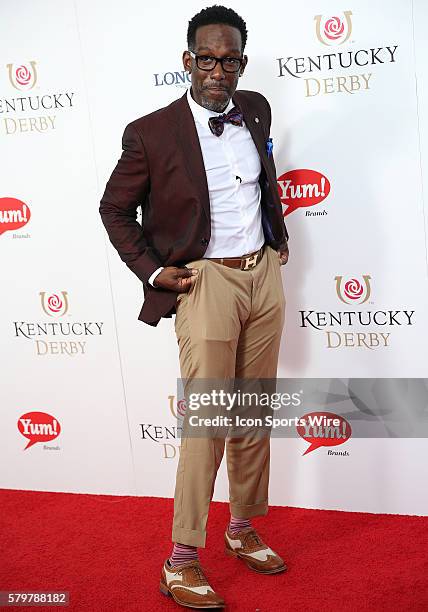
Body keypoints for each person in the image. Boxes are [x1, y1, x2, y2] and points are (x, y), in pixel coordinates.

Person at [99, 5, 289, 609]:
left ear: (241, 63)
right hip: (204, 282)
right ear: (188, 61)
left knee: (253, 411)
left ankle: (241, 528)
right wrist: (154, 270)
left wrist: (277, 240)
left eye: (228, 60)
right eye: (205, 59)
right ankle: (180, 559)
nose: (217, 71)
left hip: (263, 277)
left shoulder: (255, 107)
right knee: (208, 419)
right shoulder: (151, 131)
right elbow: (113, 209)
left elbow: (264, 177)